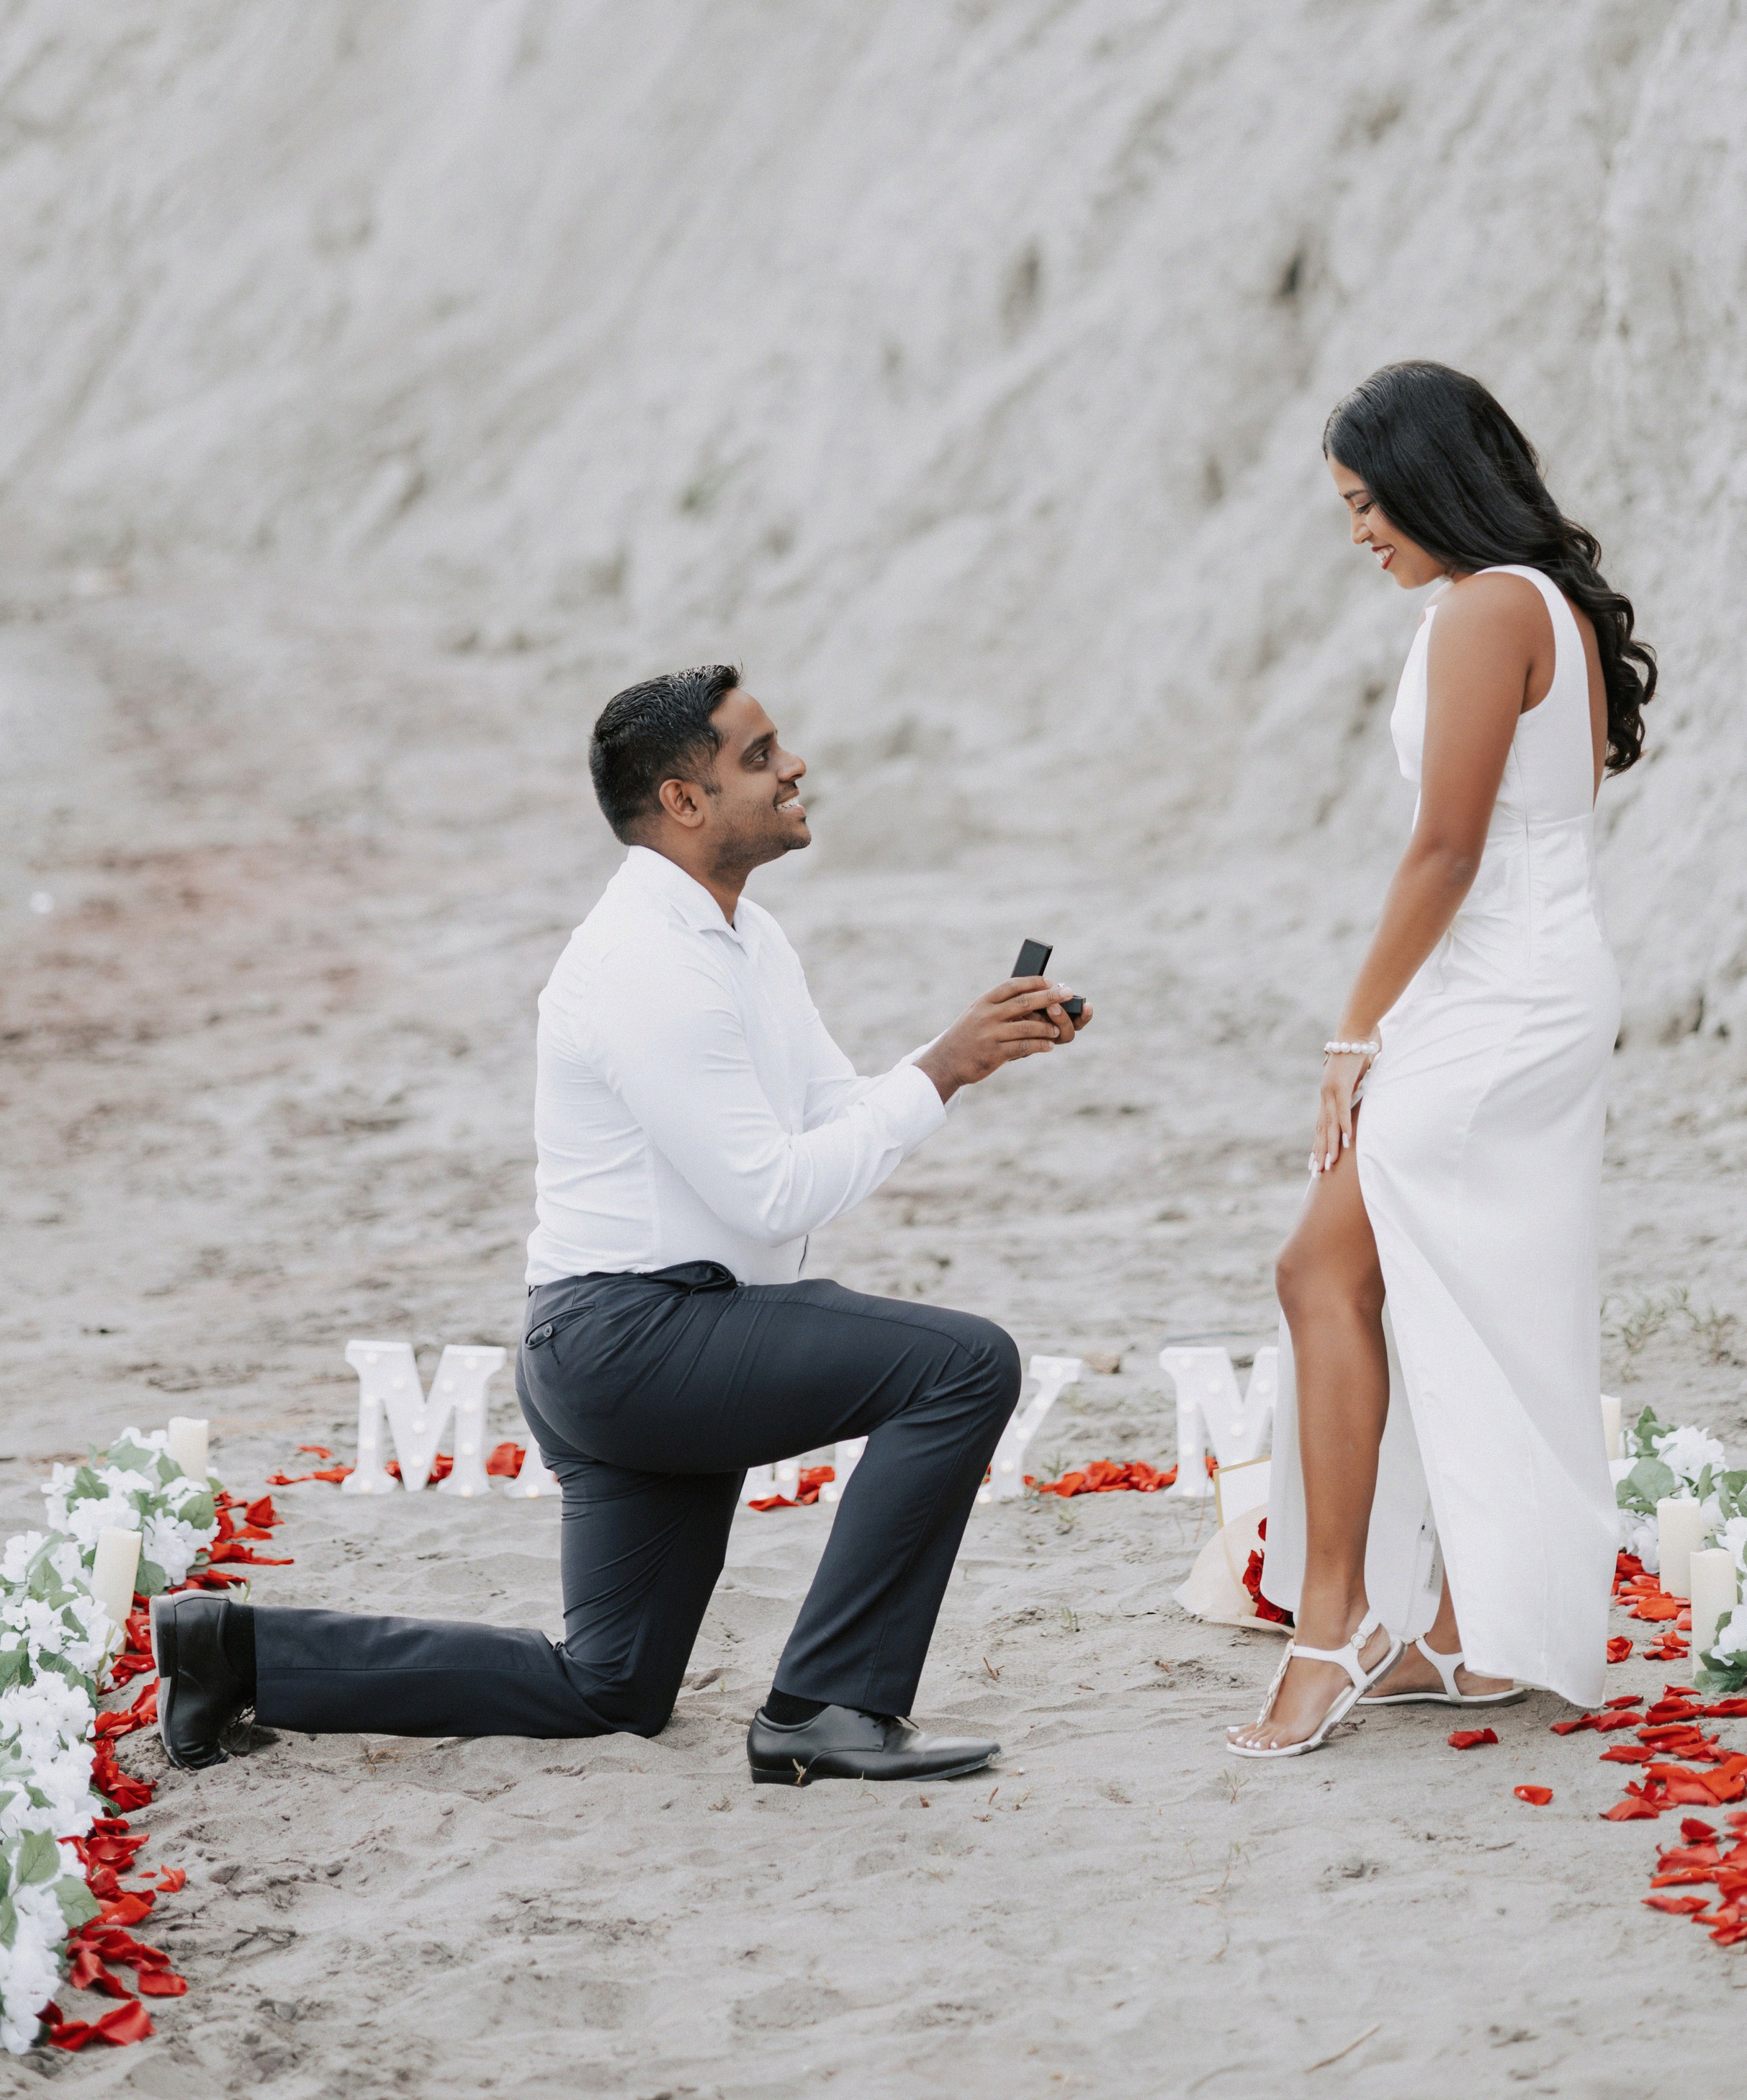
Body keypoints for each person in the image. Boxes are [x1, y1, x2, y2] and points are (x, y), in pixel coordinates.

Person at [155, 666, 1090, 1785]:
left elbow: (828, 1118)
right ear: (684, 802)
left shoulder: (748, 940)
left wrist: (959, 1057)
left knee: (610, 1687)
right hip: (631, 1344)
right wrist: (942, 1071)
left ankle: (237, 1651)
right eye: (759, 754)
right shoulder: (647, 964)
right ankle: (824, 1709)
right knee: (964, 1365)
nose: (794, 767)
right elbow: (775, 1194)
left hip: (643, 1345)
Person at [1229, 363, 1656, 1758]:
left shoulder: (1485, 610)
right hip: (1508, 980)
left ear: (1429, 483)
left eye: (1364, 503)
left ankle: (1336, 1619)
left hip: (1499, 991)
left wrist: (1352, 1032)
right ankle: (1462, 1629)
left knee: (1330, 1271)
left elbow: (1446, 848)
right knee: (1427, 1288)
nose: (1355, 532)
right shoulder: (1521, 602)